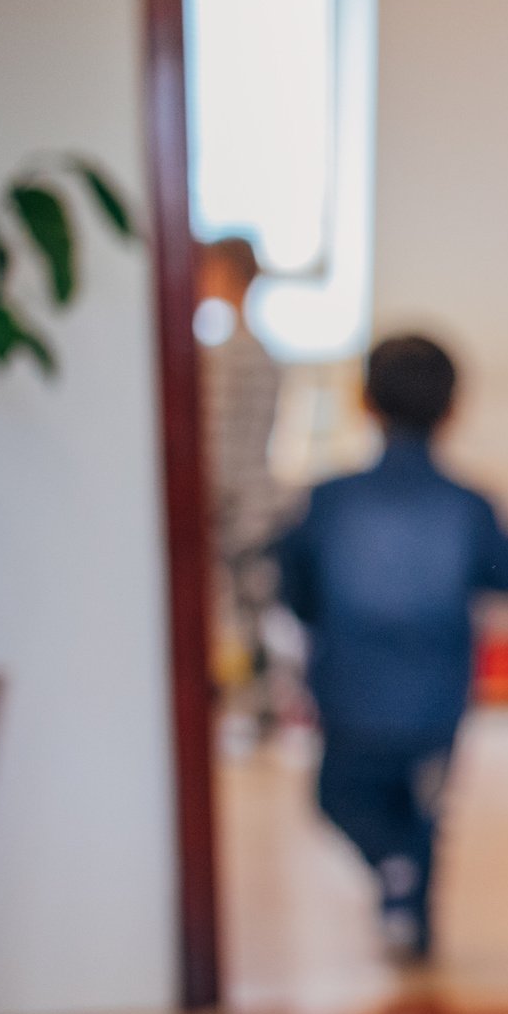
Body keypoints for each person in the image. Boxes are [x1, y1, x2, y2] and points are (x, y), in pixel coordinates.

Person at [272, 335, 508, 962]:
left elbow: (295, 589)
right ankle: (409, 907)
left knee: (339, 796)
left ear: (363, 401)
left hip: (349, 689)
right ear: (454, 410)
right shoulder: (469, 504)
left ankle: (397, 881)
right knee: (422, 812)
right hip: (438, 695)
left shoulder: (329, 500)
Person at [198, 235, 289, 717]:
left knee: (238, 614)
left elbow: (219, 442)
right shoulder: (263, 352)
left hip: (232, 502)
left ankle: (255, 709)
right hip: (258, 497)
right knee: (254, 613)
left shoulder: (226, 355)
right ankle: (262, 709)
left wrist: (209, 499)